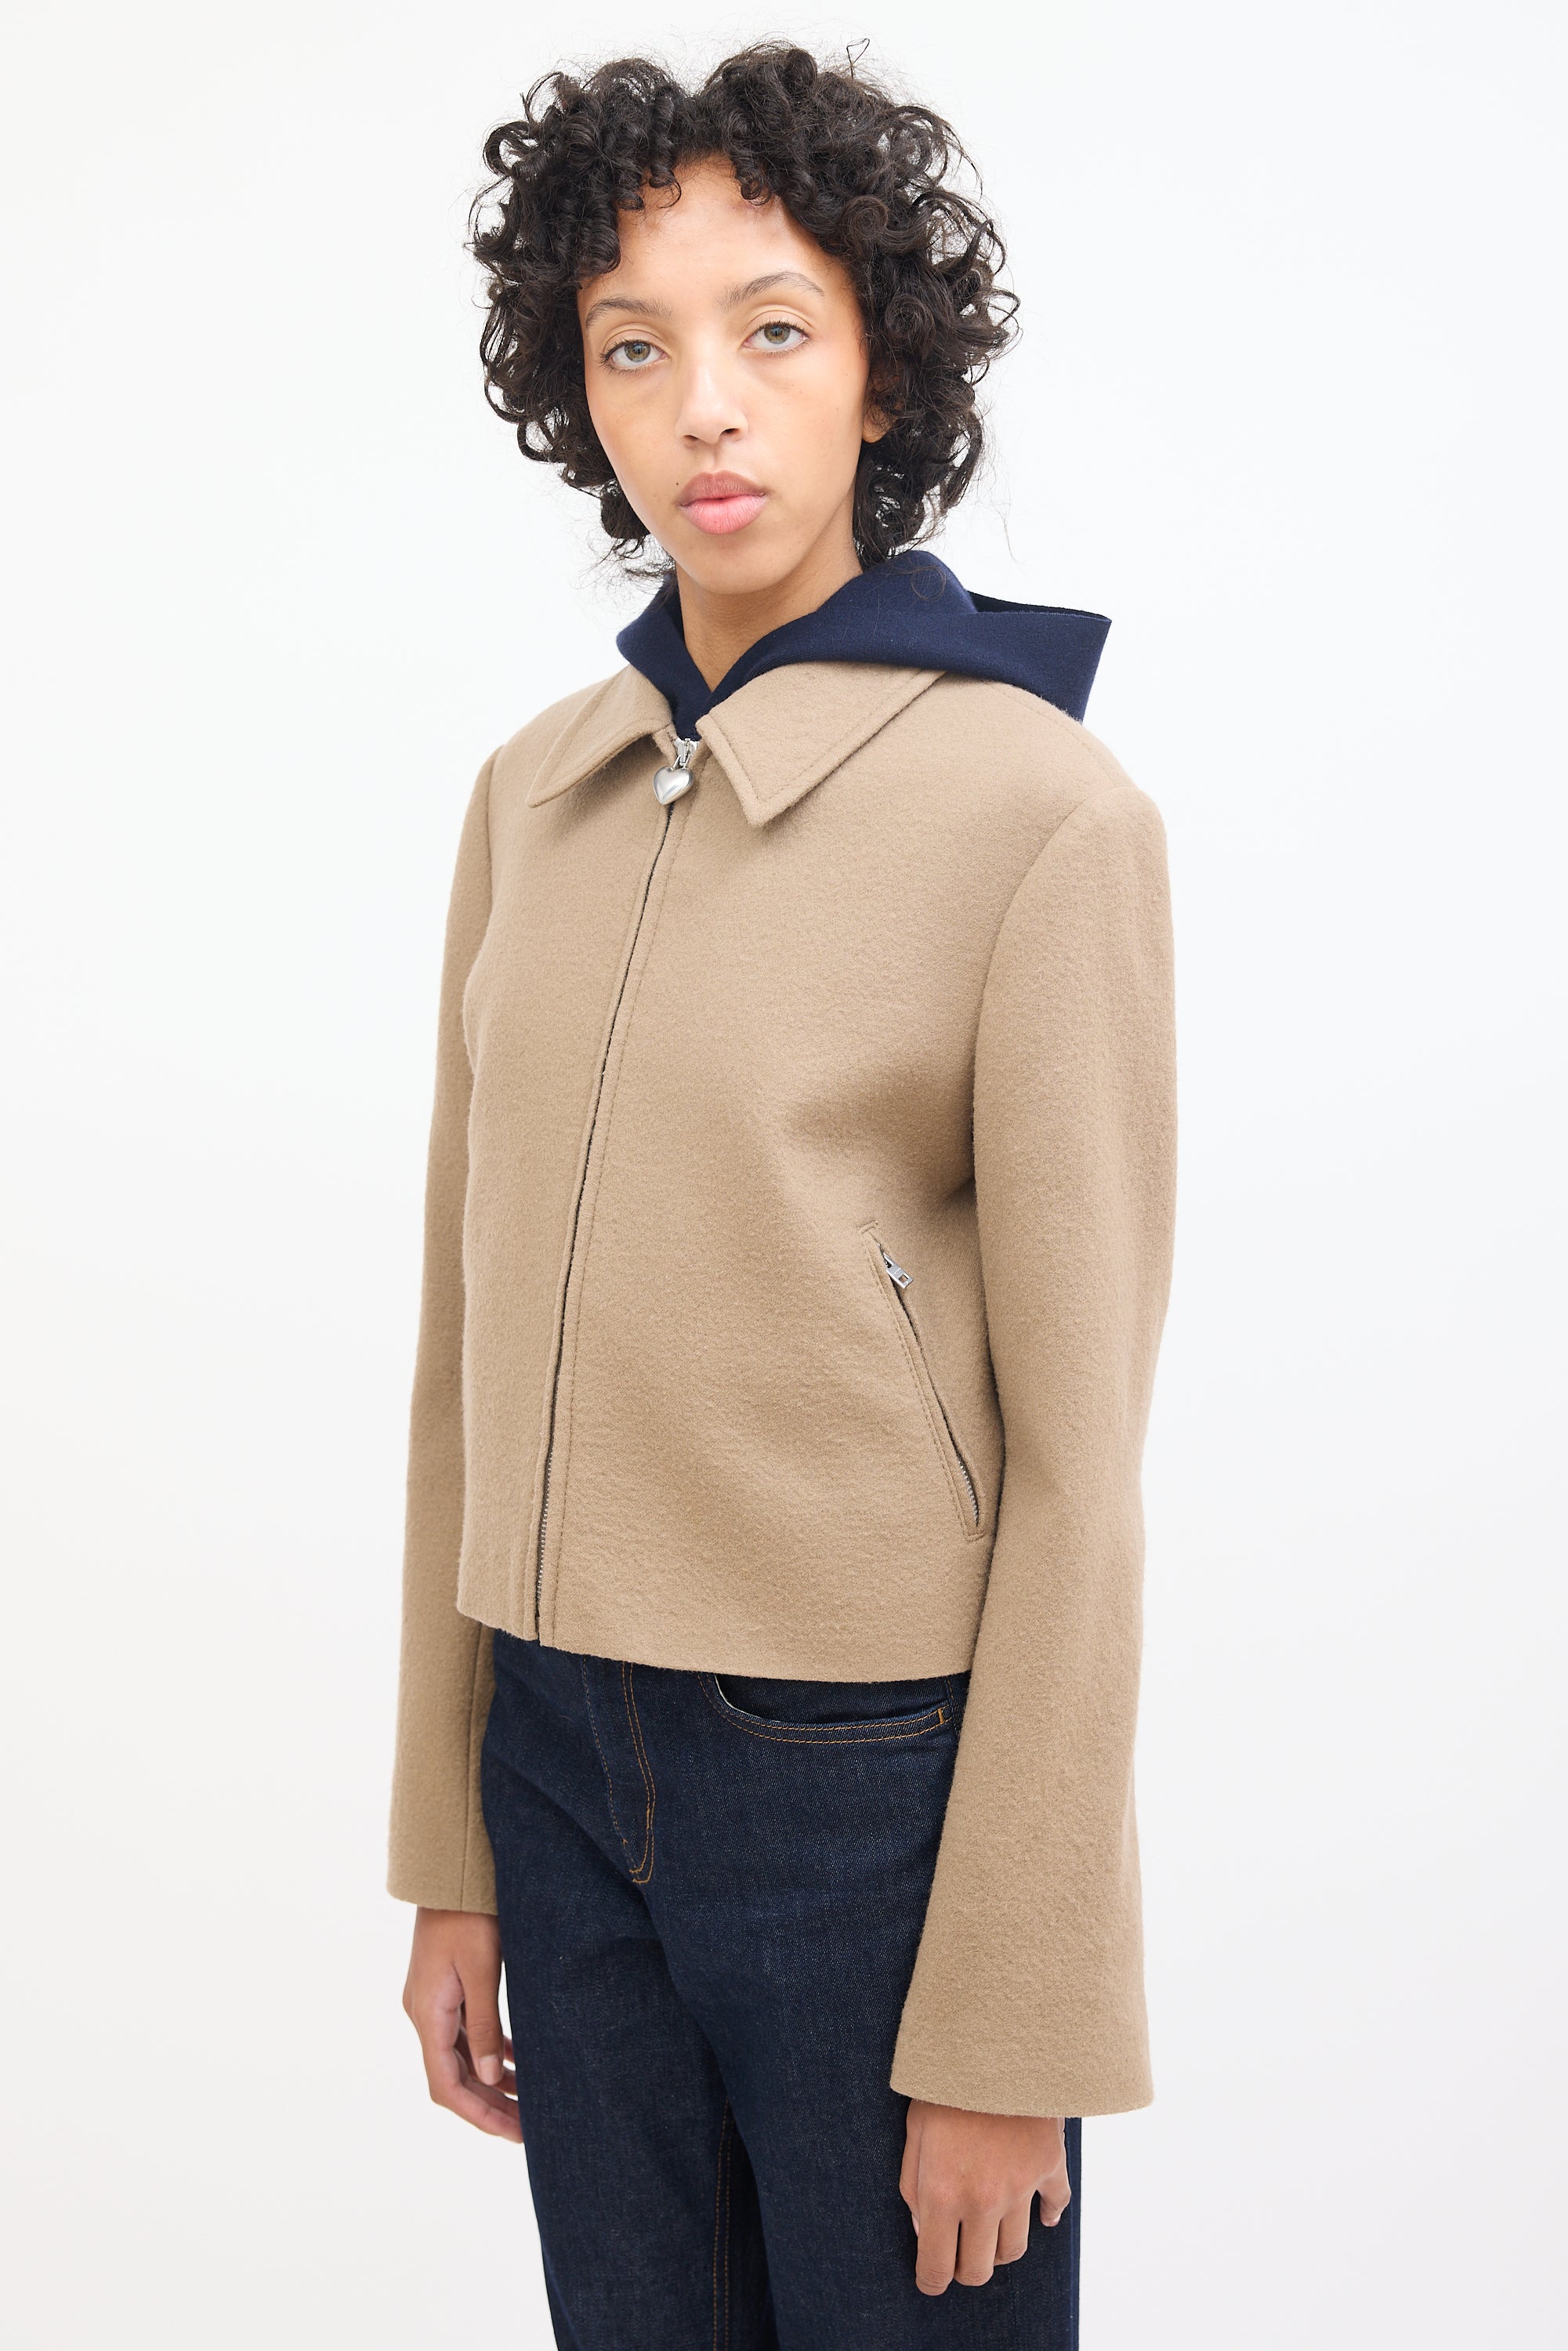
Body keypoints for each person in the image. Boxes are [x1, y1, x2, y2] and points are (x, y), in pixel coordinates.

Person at [389, 43, 1175, 2349]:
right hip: (555, 1759)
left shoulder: (1041, 819)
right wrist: (453, 1848)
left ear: (880, 372)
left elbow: (1083, 1476)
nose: (703, 408)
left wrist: (1018, 2017)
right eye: (631, 346)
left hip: (862, 1797)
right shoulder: (532, 797)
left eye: (771, 330)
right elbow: (459, 1363)